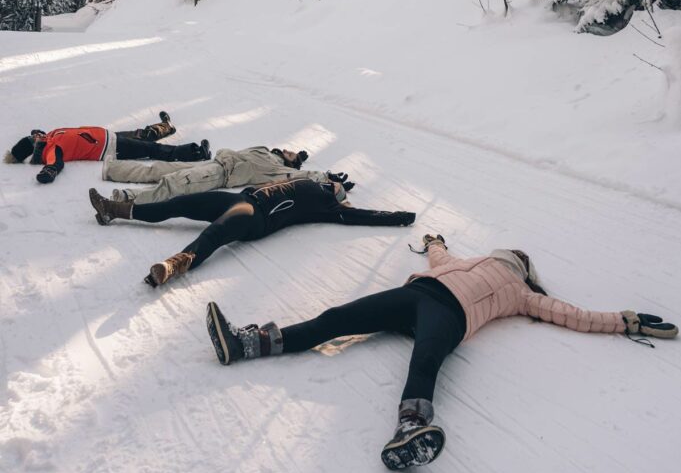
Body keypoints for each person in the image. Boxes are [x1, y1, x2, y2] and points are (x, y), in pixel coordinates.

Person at [203, 235, 679, 472]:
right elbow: (438, 258)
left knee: (426, 357)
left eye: (513, 256)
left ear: (520, 268)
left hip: (449, 316)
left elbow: (571, 313)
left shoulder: (522, 293)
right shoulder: (465, 261)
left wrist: (624, 320)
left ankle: (411, 426)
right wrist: (435, 241)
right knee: (337, 317)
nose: (506, 255)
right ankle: (250, 342)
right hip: (417, 295)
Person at [88, 178, 415, 287]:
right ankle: (114, 211)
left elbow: (364, 216)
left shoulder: (330, 206)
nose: (334, 185)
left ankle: (172, 266)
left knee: (214, 236)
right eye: (335, 183)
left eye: (338, 188)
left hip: (254, 216)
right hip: (240, 198)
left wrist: (400, 217)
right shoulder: (306, 179)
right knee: (179, 203)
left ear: (338, 196)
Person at [101, 144, 354, 205]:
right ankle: (113, 170)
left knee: (173, 184)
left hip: (219, 174)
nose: (288, 150)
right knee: (158, 169)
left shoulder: (281, 170)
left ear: (292, 163)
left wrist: (327, 177)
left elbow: (304, 175)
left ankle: (127, 198)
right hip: (215, 162)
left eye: (292, 154)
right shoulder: (265, 150)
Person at [5, 112, 210, 183]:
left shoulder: (49, 136)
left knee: (143, 135)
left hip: (109, 136)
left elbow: (38, 132)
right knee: (151, 150)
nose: (38, 136)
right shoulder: (51, 151)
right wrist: (48, 172)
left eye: (35, 135)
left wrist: (35, 136)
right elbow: (55, 164)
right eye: (35, 139)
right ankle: (195, 153)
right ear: (36, 148)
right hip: (110, 148)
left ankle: (167, 126)